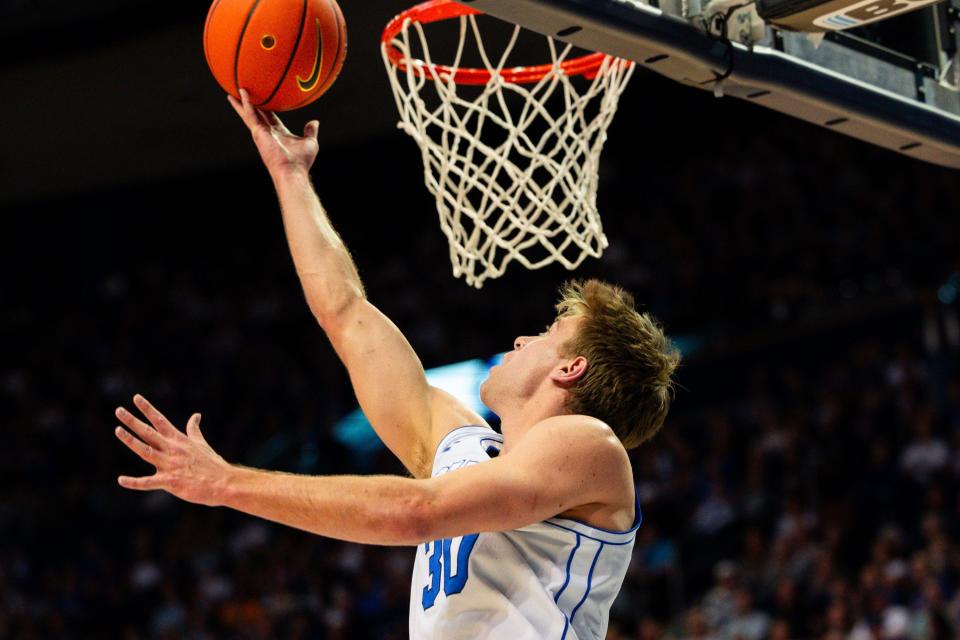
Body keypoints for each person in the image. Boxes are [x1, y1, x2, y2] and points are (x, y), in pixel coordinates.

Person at [114, 89, 681, 639]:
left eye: (548, 332)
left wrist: (228, 483)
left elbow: (415, 512)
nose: (522, 336)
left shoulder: (590, 444)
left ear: (571, 369)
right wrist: (290, 176)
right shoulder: (464, 449)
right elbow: (345, 312)